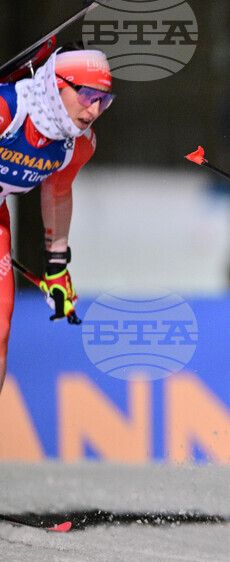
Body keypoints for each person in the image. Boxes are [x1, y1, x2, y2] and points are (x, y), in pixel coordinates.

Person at [0, 47, 114, 394]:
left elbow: (58, 193)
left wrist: (56, 266)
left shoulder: (75, 146)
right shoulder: (8, 110)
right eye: (88, 95)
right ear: (56, 84)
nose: (94, 110)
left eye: (104, 101)